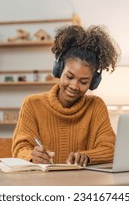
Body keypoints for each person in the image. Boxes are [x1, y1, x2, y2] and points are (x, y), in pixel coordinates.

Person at [12, 24, 121, 166]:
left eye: (83, 81)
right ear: (59, 70)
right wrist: (32, 156)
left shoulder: (96, 107)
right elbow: (20, 148)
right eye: (69, 77)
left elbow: (111, 149)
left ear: (93, 82)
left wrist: (87, 157)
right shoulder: (32, 104)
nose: (74, 86)